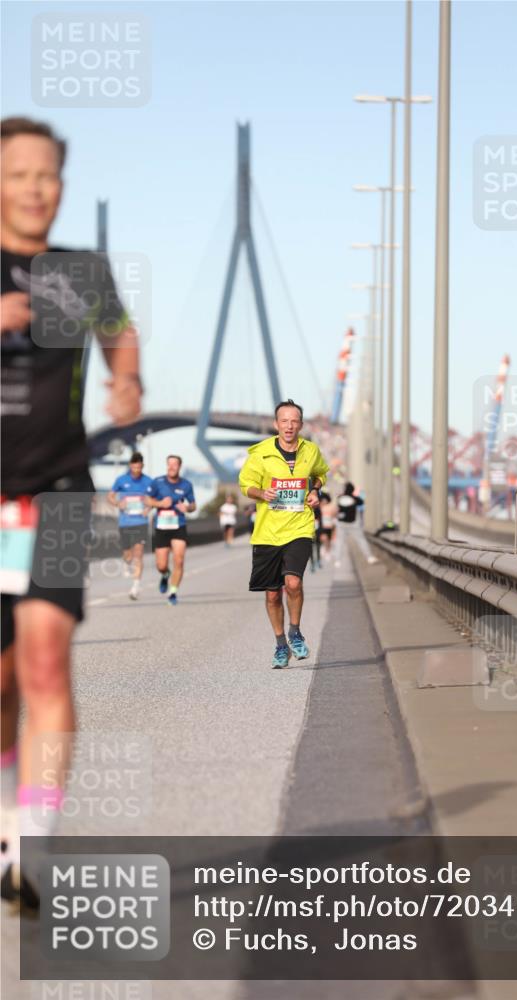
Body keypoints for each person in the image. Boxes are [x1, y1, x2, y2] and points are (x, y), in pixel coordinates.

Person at [0, 117, 142, 902]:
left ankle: (36, 845)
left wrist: (128, 382)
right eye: (18, 173)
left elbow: (120, 336)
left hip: (57, 493)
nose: (34, 188)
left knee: (46, 659)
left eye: (47, 175)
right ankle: (5, 824)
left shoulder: (78, 273)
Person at [239, 399, 328, 668]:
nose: (289, 426)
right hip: (267, 532)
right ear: (276, 424)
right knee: (272, 594)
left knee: (293, 584)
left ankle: (295, 632)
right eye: (284, 421)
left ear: (300, 424)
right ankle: (281, 645)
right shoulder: (260, 453)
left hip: (299, 526)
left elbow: (321, 475)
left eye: (294, 421)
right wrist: (261, 493)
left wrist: (315, 491)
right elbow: (246, 485)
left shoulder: (310, 451)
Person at [146, 455, 196, 605]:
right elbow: (146, 499)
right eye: (169, 464)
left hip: (178, 525)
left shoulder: (186, 484)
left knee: (179, 560)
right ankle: (165, 574)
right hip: (161, 526)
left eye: (175, 464)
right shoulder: (158, 482)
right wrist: (160, 503)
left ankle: (173, 592)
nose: (171, 467)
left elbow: (194, 505)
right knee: (161, 565)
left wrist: (187, 507)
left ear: (179, 467)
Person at [107, 452, 154, 599]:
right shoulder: (121, 480)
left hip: (141, 522)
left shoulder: (148, 481)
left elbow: (154, 499)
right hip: (125, 522)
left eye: (139, 468)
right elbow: (110, 496)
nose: (136, 471)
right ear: (130, 466)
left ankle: (135, 587)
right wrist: (117, 503)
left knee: (138, 554)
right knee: (127, 554)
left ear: (142, 466)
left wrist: (149, 507)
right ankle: (126, 563)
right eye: (134, 467)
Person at [334, 482, 365, 567]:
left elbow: (338, 506)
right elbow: (361, 502)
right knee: (361, 540)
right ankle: (369, 557)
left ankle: (337, 560)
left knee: (339, 542)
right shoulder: (355, 498)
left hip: (342, 523)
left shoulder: (340, 497)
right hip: (352, 523)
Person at [319, 490, 337, 561]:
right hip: (322, 525)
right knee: (324, 538)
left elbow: (334, 515)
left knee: (328, 539)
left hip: (329, 525)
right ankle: (325, 549)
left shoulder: (331, 506)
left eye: (325, 500)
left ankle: (328, 551)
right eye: (323, 500)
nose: (324, 501)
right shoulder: (319, 507)